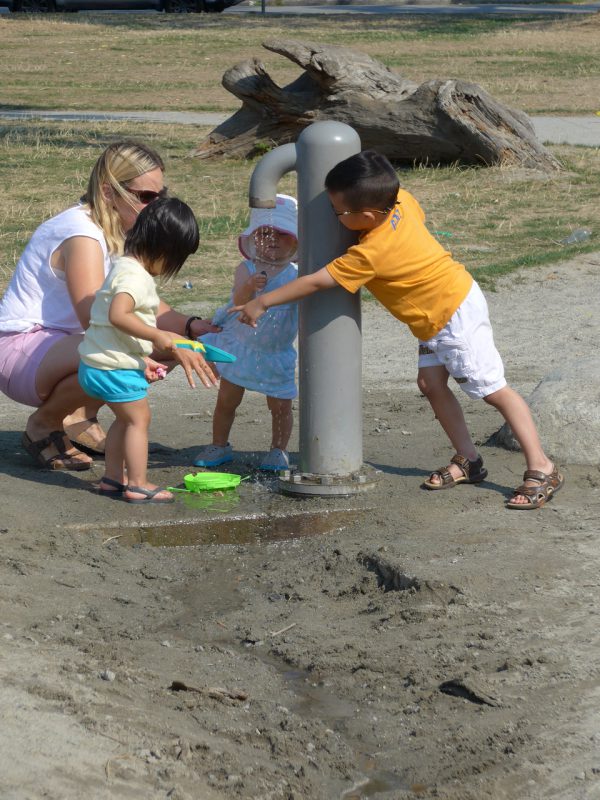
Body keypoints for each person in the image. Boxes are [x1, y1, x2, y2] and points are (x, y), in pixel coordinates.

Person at [233, 150, 564, 510]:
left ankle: (541, 466)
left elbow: (315, 282)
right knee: (431, 384)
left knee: (493, 390)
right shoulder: (401, 200)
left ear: (368, 217)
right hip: (442, 307)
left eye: (338, 213)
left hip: (451, 314)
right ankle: (469, 460)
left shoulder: (372, 253)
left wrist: (263, 301)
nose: (334, 217)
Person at [0, 140, 218, 472]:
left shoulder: (119, 232)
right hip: (21, 349)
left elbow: (141, 302)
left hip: (61, 347)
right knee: (131, 352)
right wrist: (143, 350)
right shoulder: (83, 235)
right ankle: (45, 423)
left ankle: (78, 417)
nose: (153, 206)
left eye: (160, 196)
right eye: (146, 197)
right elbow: (93, 317)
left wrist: (190, 327)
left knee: (171, 347)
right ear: (108, 192)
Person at [78, 197, 201, 503]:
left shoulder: (125, 267)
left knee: (125, 419)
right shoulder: (134, 276)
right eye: (175, 260)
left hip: (102, 362)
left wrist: (140, 358)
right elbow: (118, 316)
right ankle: (138, 483)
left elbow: (112, 328)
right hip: (111, 367)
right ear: (163, 248)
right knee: (138, 420)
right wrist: (159, 336)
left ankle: (112, 479)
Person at [193, 194, 299, 472]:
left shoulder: (297, 275)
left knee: (280, 407)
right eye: (265, 233)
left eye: (282, 234)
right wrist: (251, 285)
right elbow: (238, 295)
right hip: (239, 347)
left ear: (297, 241)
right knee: (227, 400)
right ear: (252, 239)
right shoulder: (247, 268)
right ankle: (220, 444)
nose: (272, 239)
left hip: (275, 353)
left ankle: (278, 450)